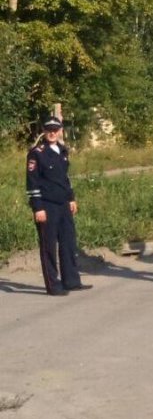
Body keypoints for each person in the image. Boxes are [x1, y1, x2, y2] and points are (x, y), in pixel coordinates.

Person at [26, 116, 91, 296]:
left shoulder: (62, 150)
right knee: (48, 247)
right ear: (44, 131)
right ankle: (53, 285)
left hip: (63, 204)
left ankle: (71, 281)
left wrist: (71, 198)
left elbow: (65, 178)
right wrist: (37, 207)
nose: (52, 132)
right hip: (47, 206)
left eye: (55, 129)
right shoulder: (36, 153)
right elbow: (32, 183)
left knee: (68, 243)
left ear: (61, 130)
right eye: (49, 129)